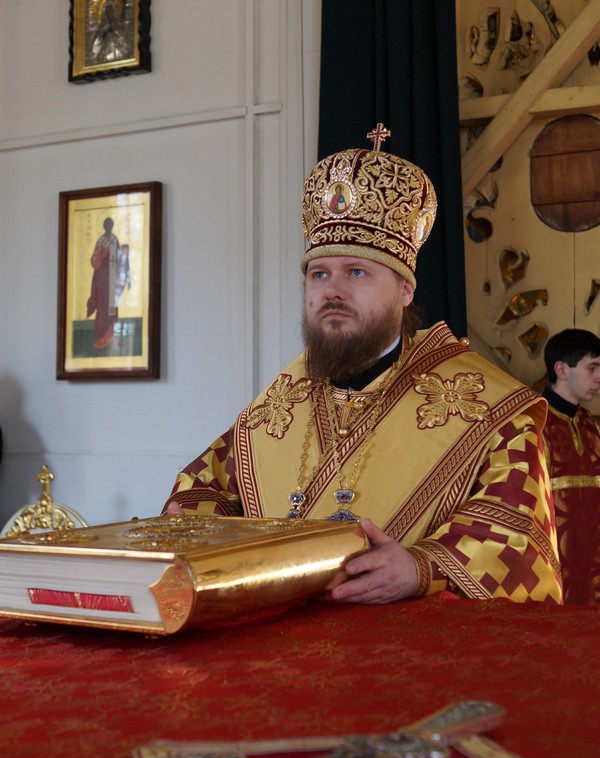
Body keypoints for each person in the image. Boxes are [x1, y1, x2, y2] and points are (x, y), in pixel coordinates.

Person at [163, 125, 562, 605]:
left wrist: (422, 567)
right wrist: (214, 542)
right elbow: (202, 493)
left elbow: (517, 538)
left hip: (405, 642)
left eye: (357, 272)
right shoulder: (277, 404)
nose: (332, 291)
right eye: (319, 274)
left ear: (405, 290)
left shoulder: (490, 410)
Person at [541, 328, 600, 604]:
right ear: (562, 370)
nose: (599, 377)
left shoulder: (590, 424)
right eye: (592, 368)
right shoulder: (533, 421)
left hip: (593, 553)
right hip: (553, 555)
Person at [86, 217, 131, 350]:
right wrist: (101, 255)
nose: (109, 227)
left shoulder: (114, 239)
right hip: (101, 277)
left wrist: (123, 252)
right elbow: (94, 259)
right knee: (102, 303)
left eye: (111, 225)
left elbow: (119, 257)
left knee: (112, 304)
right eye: (108, 225)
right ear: (105, 226)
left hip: (112, 277)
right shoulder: (100, 241)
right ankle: (100, 336)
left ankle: (111, 336)